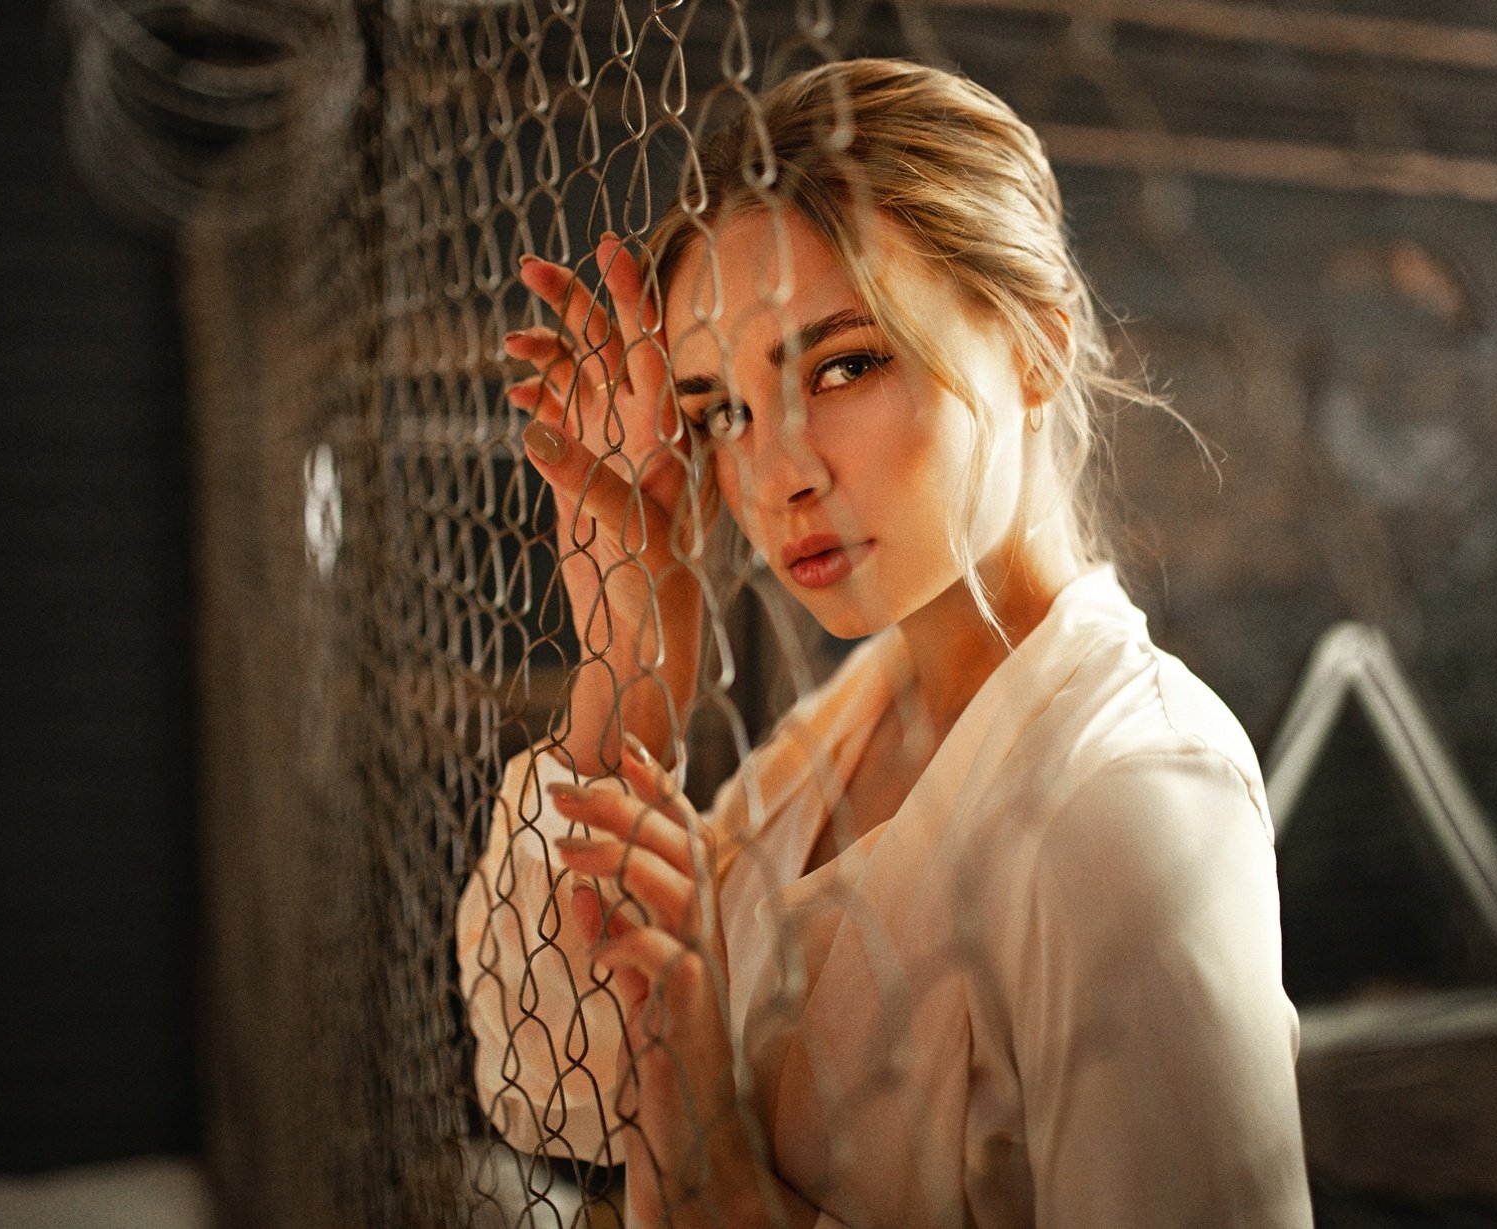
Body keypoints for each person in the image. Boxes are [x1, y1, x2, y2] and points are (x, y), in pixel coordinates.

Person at [455, 57, 1313, 1229]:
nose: (775, 472)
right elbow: (552, 1080)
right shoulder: (854, 723)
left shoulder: (1130, 800)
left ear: (1034, 347)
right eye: (720, 410)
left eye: (845, 363)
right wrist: (628, 651)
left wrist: (723, 1177)